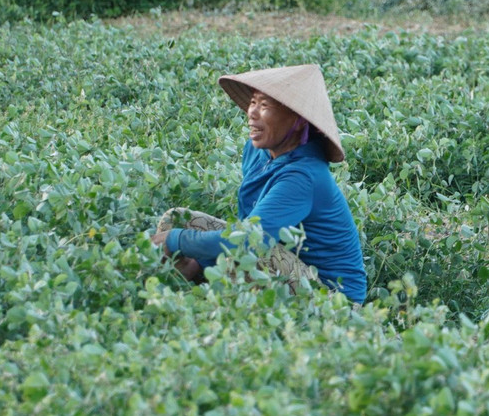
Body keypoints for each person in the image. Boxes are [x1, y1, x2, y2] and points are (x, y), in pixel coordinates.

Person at [149, 63, 368, 303]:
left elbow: (249, 239)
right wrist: (198, 262)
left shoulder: (304, 176)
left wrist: (177, 241)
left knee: (245, 246)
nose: (252, 113)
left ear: (298, 119)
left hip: (333, 298)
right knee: (177, 219)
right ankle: (182, 299)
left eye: (265, 106)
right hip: (281, 261)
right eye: (253, 102)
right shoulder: (258, 151)